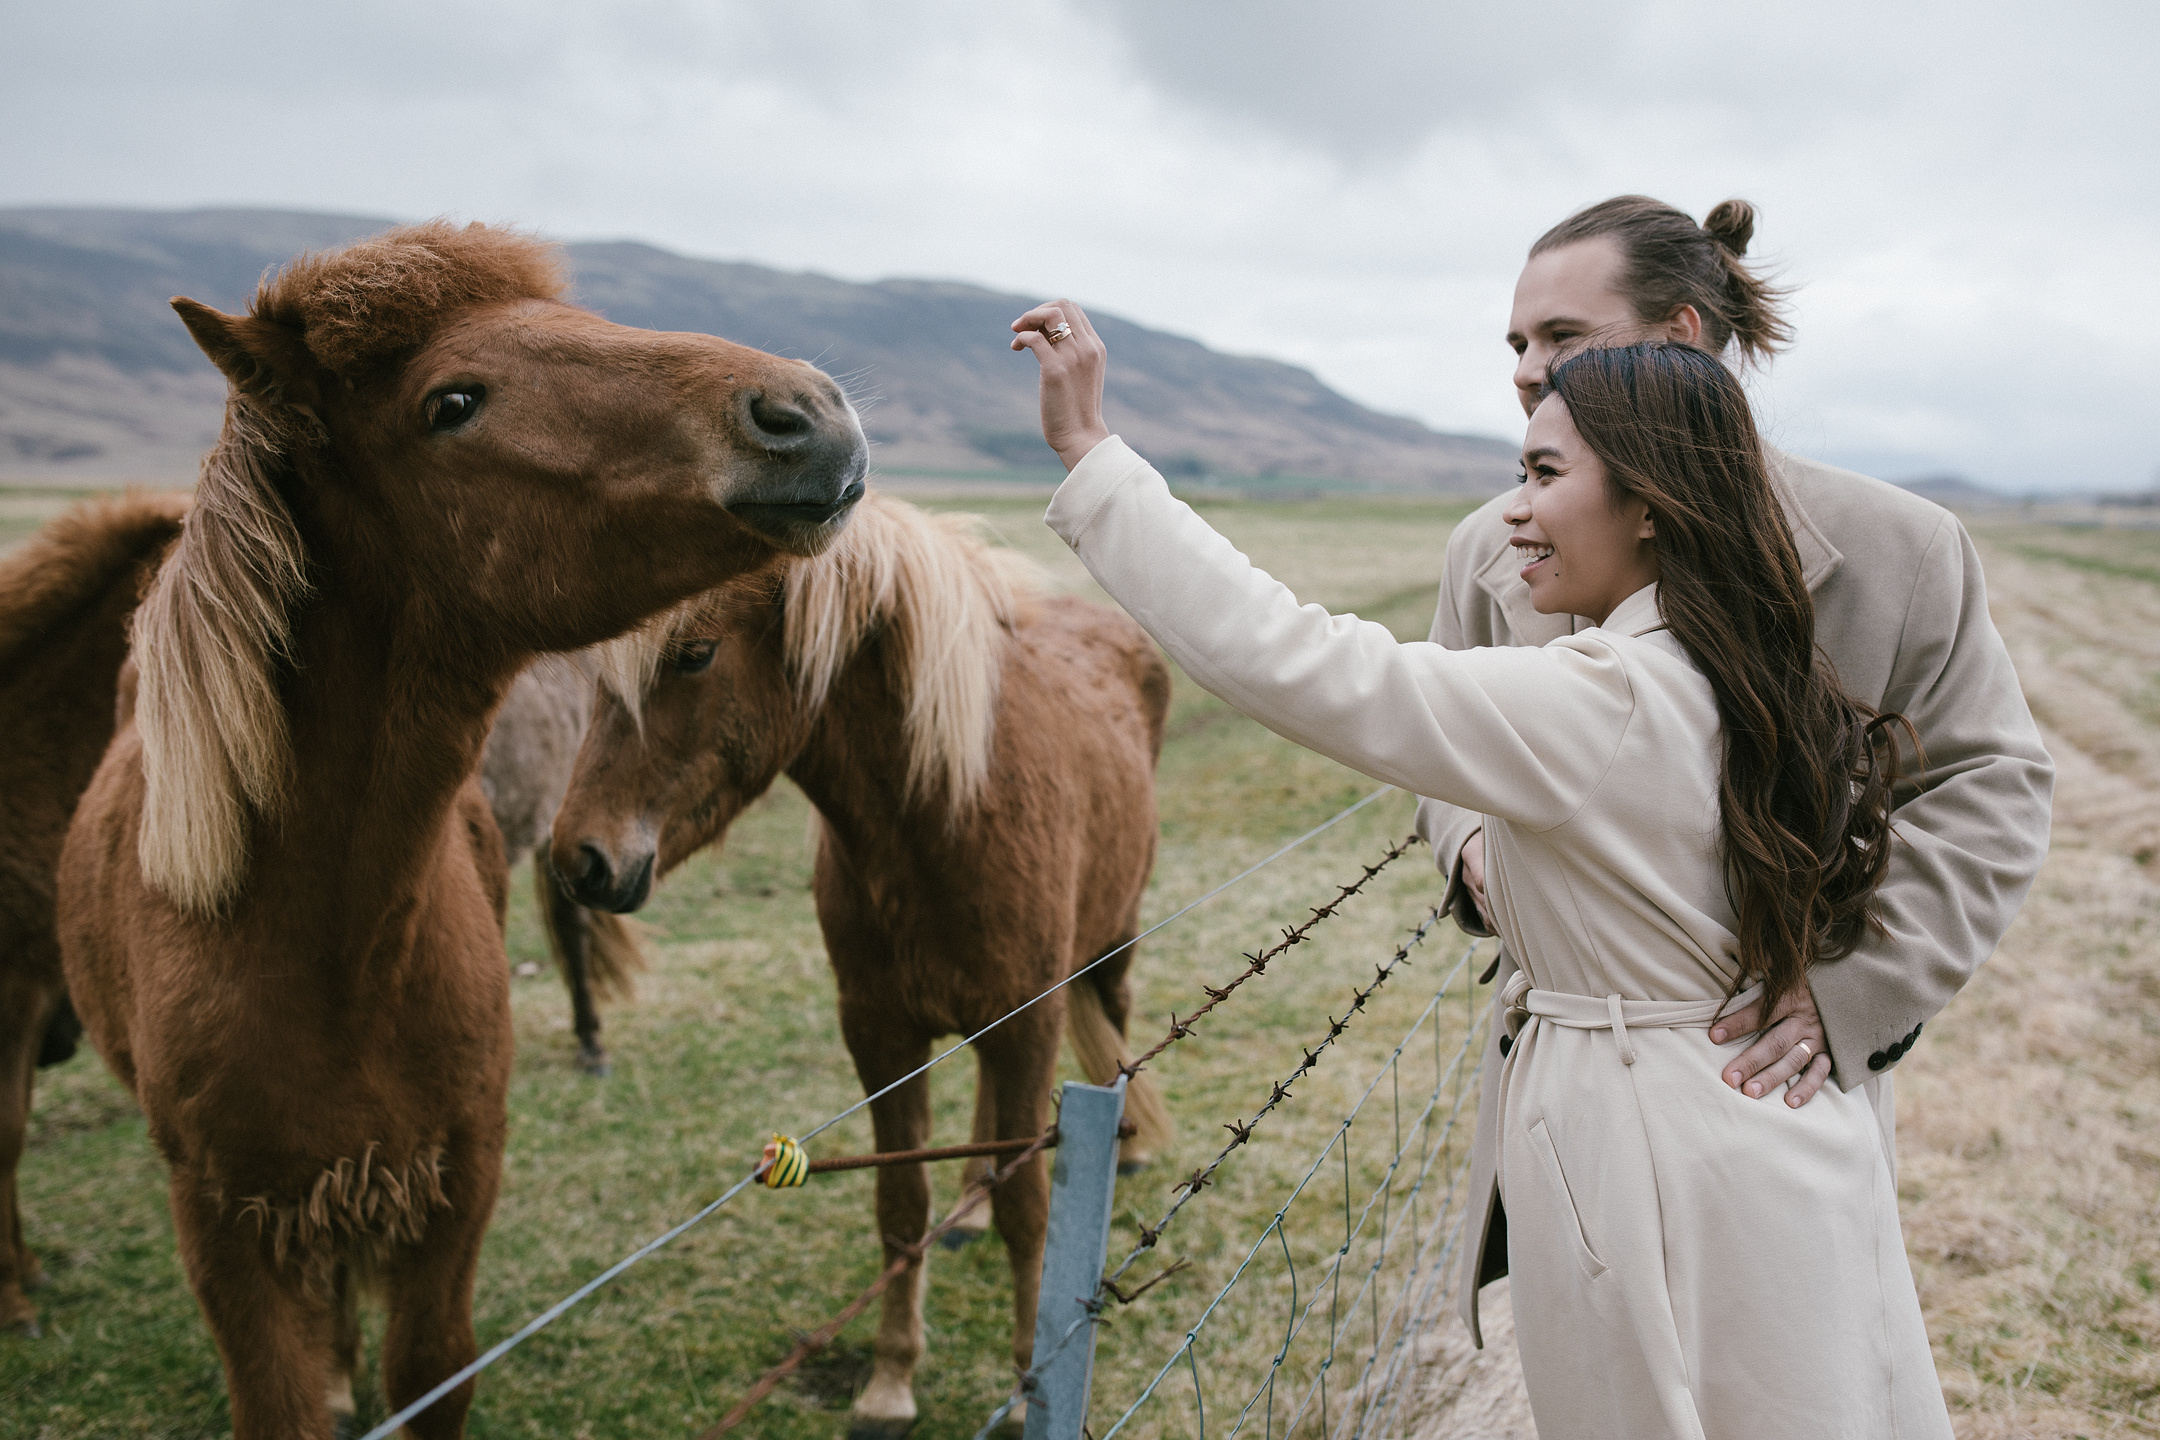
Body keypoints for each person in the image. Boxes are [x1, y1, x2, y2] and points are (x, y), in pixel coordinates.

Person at [1010, 307, 1956, 1434]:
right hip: (1772, 1141)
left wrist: (1094, 458)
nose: (1512, 510)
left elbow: (1301, 659)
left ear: (1651, 504)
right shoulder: (1749, 672)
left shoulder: (1605, 695)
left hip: (1649, 1145)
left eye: (1545, 474)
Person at [1405, 195, 2053, 1349]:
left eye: (1563, 336)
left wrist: (1856, 991)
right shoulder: (1489, 548)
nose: (1526, 368)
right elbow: (1438, 744)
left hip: (1774, 1083)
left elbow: (1989, 785)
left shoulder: (1901, 549)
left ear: (1684, 336)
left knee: (1797, 1374)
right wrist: (1469, 849)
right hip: (1567, 1083)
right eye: (1516, 342)